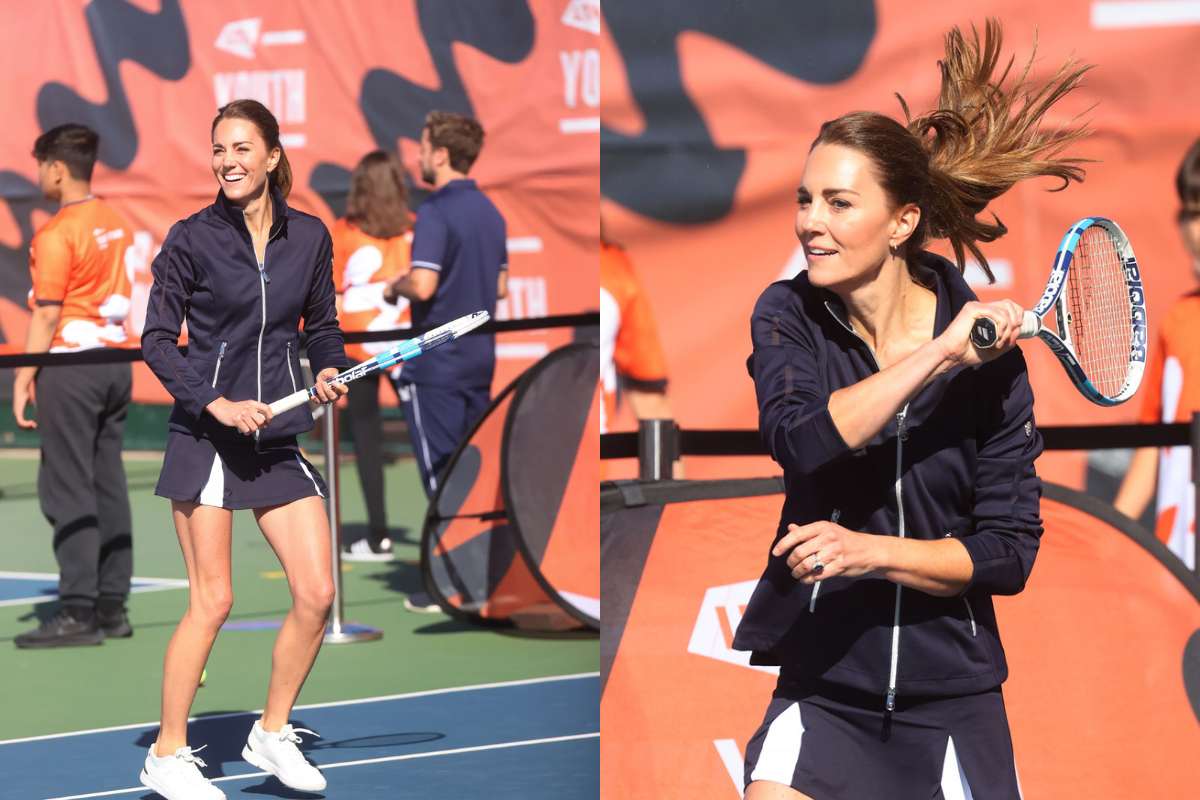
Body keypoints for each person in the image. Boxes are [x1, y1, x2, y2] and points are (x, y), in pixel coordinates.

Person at [736, 22, 1089, 799]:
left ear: (901, 223)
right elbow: (802, 439)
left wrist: (870, 553)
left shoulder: (993, 365)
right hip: (823, 684)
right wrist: (937, 356)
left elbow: (1006, 555)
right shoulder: (787, 314)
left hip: (951, 701)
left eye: (839, 203)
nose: (811, 222)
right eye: (805, 200)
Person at [138, 99, 349, 799]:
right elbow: (157, 341)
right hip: (207, 438)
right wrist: (215, 402)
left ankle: (272, 732)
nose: (227, 161)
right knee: (214, 599)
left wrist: (328, 367)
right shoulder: (191, 239)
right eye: (218, 149)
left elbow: (321, 325)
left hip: (276, 437)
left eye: (241, 148)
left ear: (272, 156)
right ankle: (167, 754)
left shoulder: (309, 237)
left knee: (317, 592)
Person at [12, 123, 135, 649]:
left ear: (57, 169)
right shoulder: (115, 220)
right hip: (115, 363)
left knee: (65, 486)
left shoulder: (57, 232)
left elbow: (47, 313)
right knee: (107, 479)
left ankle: (77, 610)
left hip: (70, 367)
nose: (39, 175)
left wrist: (24, 376)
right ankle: (111, 606)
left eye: (41, 165)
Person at [383, 111, 508, 612]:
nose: (417, 156)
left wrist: (393, 286)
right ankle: (480, 578)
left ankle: (460, 584)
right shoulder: (491, 212)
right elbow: (500, 286)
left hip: (436, 365)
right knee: (471, 472)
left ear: (440, 154)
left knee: (443, 477)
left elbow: (423, 284)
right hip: (479, 362)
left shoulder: (436, 211)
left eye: (422, 146)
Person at [1113, 137, 1200, 568]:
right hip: (1183, 565)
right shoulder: (1179, 320)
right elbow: (1152, 444)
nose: (1193, 229)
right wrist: (1112, 536)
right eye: (1189, 213)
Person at [331, 150, 414, 561]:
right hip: (405, 345)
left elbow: (330, 295)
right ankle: (446, 531)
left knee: (366, 439)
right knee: (426, 437)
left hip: (360, 344)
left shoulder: (344, 232)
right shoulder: (413, 230)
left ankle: (378, 535)